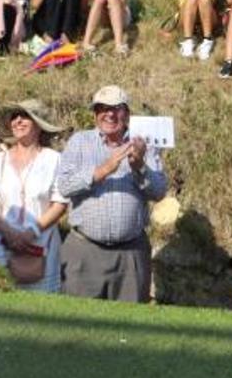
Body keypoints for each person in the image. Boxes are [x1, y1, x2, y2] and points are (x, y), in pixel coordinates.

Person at [55, 85, 167, 302]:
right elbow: (64, 186)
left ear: (127, 113)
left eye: (116, 108)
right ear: (95, 113)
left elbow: (159, 192)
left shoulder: (143, 145)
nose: (109, 114)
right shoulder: (79, 141)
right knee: (78, 323)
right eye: (102, 108)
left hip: (130, 253)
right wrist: (101, 171)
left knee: (130, 326)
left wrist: (139, 167)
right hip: (84, 250)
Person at [0, 100, 69, 291]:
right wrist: (9, 232)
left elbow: (59, 204)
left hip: (40, 243)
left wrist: (31, 232)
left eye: (24, 116)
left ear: (39, 124)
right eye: (14, 117)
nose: (18, 121)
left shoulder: (54, 159)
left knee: (39, 308)